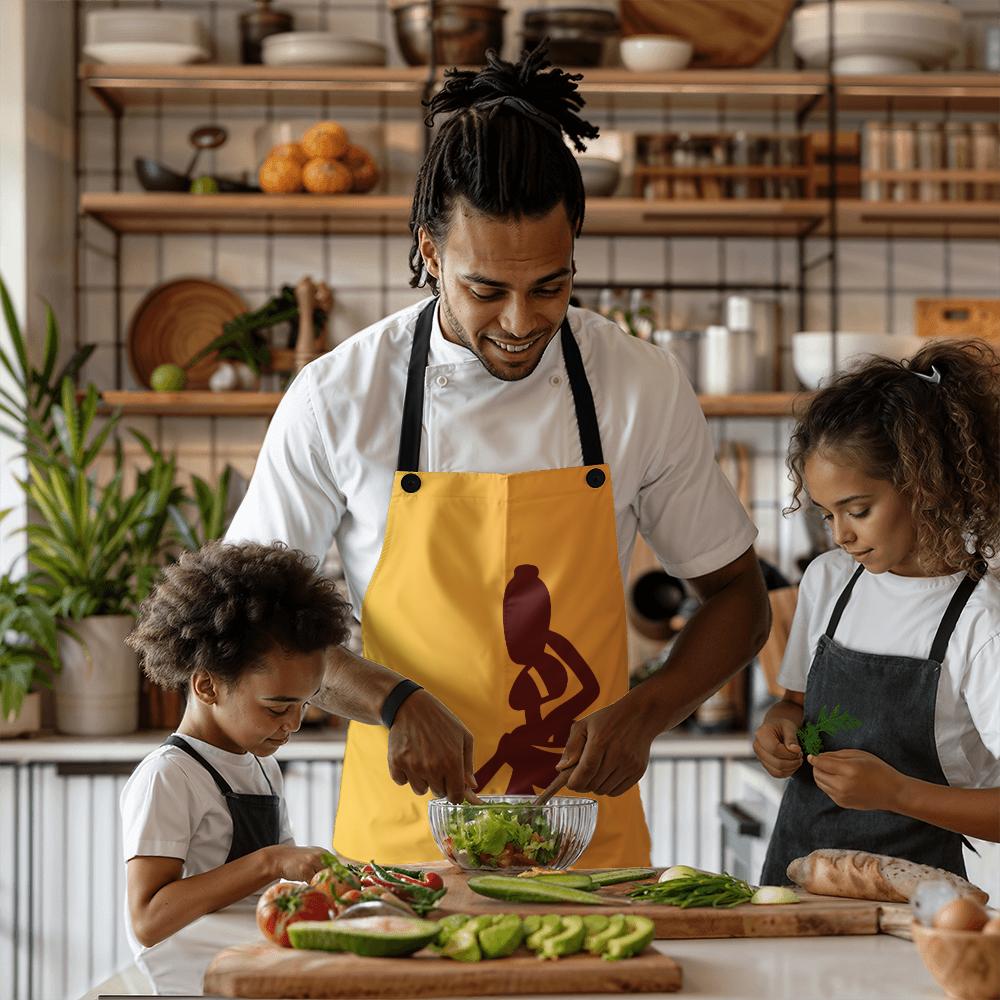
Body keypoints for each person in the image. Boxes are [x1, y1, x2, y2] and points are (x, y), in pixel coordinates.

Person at [226, 44, 769, 868]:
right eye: (487, 290)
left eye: (551, 286)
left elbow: (740, 598)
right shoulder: (340, 396)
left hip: (584, 847)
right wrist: (390, 697)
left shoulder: (638, 383)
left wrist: (650, 707)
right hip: (404, 852)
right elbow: (248, 620)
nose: (520, 322)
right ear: (432, 254)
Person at [754, 338, 1000, 885]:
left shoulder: (981, 622)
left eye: (858, 511)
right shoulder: (829, 582)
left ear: (924, 485)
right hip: (796, 878)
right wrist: (776, 731)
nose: (842, 535)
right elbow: (792, 705)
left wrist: (898, 793)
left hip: (912, 900)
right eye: (826, 516)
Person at [120, 540, 353, 995]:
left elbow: (283, 878)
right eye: (277, 707)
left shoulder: (263, 766)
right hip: (199, 976)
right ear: (207, 685)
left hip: (253, 959)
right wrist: (269, 862)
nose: (294, 724)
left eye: (303, 705)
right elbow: (149, 920)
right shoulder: (169, 775)